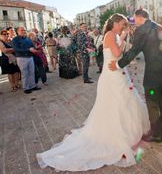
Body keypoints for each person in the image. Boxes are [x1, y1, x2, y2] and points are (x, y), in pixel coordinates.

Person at [37, 14, 150, 171]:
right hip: (112, 75)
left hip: (118, 71)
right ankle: (117, 134)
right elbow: (117, 54)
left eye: (124, 25)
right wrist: (124, 36)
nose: (123, 27)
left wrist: (122, 37)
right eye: (122, 24)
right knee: (116, 103)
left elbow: (120, 52)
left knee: (125, 101)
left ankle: (128, 130)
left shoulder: (115, 35)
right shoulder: (110, 35)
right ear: (115, 23)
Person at [109, 8, 162, 143]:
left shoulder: (142, 30)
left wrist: (119, 64)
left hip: (155, 73)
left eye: (135, 19)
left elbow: (134, 50)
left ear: (140, 17)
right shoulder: (159, 26)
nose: (134, 21)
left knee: (152, 103)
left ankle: (156, 134)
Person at [12, 27, 41, 94]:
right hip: (21, 58)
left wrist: (35, 49)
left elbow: (32, 46)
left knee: (32, 72)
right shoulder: (15, 39)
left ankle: (33, 86)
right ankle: (26, 88)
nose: (23, 31)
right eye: (21, 30)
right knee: (25, 74)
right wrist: (28, 50)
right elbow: (16, 49)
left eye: (24, 30)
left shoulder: (28, 39)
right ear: (17, 31)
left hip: (30, 57)